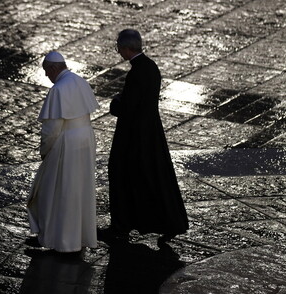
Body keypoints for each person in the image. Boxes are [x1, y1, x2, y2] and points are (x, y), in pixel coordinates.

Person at [105, 29, 188, 244]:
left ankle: (121, 225)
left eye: (119, 48)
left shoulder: (137, 72)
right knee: (154, 177)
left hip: (133, 136)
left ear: (125, 48)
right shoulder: (150, 67)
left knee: (121, 173)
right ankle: (169, 222)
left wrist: (115, 103)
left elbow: (128, 106)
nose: (118, 51)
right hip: (150, 133)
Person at [27, 51, 100, 253]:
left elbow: (52, 129)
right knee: (80, 189)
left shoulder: (58, 89)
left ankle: (56, 239)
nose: (46, 76)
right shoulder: (80, 81)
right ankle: (79, 238)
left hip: (66, 142)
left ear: (52, 68)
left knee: (55, 191)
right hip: (86, 138)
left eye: (46, 71)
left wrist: (45, 150)